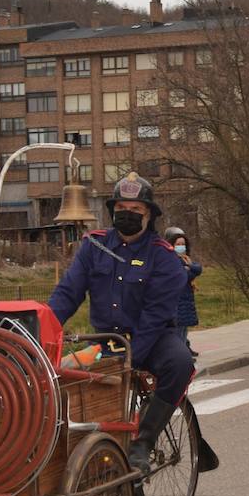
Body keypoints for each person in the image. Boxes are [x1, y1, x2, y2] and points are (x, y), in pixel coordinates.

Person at [48, 172, 193, 473]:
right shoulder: (93, 245)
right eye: (121, 210)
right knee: (60, 376)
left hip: (151, 339)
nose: (126, 215)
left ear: (149, 215)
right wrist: (43, 327)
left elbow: (154, 316)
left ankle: (143, 441)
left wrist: (129, 357)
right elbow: (68, 293)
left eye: (135, 211)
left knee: (179, 364)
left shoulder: (164, 258)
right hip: (103, 338)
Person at [163, 226, 203, 345]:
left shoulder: (186, 259)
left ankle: (185, 349)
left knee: (184, 331)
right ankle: (181, 353)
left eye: (183, 244)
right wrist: (188, 269)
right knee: (178, 332)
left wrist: (189, 267)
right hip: (177, 301)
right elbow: (183, 275)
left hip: (186, 300)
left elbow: (197, 269)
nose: (181, 246)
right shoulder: (170, 259)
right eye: (178, 244)